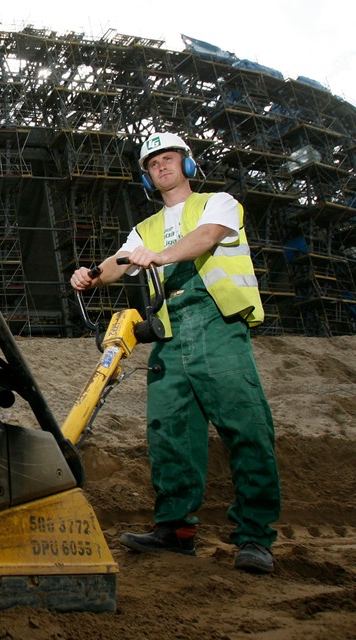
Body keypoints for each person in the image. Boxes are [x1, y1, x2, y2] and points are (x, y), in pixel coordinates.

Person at [70, 132, 281, 574]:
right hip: (169, 332)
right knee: (169, 433)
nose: (161, 166)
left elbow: (205, 238)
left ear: (186, 165)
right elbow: (119, 260)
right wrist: (91, 276)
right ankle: (175, 530)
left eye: (169, 158)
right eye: (153, 163)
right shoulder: (143, 229)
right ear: (147, 177)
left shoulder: (216, 203)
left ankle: (255, 537)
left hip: (217, 323)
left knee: (245, 426)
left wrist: (159, 257)